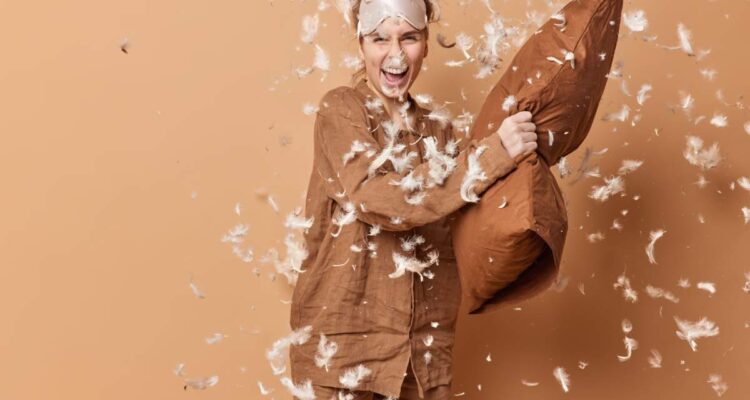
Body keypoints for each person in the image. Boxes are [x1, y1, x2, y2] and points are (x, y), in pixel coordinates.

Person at [289, 0, 538, 398]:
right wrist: (491, 156)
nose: (395, 54)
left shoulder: (440, 133)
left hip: (421, 360)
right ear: (360, 42)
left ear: (426, 43)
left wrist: (530, 149)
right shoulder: (341, 111)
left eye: (409, 38)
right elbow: (381, 200)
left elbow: (478, 210)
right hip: (346, 354)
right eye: (379, 39)